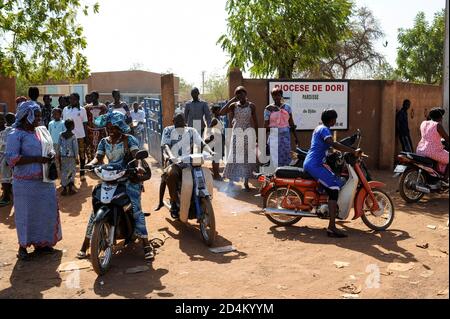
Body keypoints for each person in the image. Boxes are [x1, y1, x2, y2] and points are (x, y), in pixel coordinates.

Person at [77, 112, 154, 261]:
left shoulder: (129, 139)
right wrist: (91, 165)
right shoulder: (104, 141)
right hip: (109, 177)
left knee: (136, 209)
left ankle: (146, 244)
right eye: (108, 127)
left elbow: (136, 154)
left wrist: (138, 166)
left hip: (128, 177)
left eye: (114, 128)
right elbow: (98, 158)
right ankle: (86, 244)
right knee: (95, 211)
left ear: (120, 127)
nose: (110, 130)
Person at [5, 101, 62, 260]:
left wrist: (49, 155)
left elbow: (48, 148)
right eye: (35, 115)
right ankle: (23, 247)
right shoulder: (15, 134)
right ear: (25, 116)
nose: (38, 118)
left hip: (44, 182)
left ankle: (42, 244)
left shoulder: (40, 131)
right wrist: (36, 158)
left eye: (38, 115)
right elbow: (12, 159)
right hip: (25, 184)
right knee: (26, 215)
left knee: (45, 212)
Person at [303, 109, 362, 238]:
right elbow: (333, 144)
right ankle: (331, 227)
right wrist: (352, 151)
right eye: (335, 118)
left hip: (316, 163)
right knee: (334, 188)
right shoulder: (324, 129)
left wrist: (335, 152)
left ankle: (329, 211)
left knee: (337, 180)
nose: (335, 121)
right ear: (331, 120)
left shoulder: (320, 128)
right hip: (314, 165)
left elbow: (328, 147)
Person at [158, 113, 214, 217]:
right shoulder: (168, 130)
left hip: (190, 161)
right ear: (173, 122)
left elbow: (201, 142)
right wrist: (171, 156)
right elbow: (165, 145)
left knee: (205, 174)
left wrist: (210, 151)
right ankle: (174, 202)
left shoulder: (191, 130)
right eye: (177, 123)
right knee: (172, 175)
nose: (180, 125)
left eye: (182, 123)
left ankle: (203, 199)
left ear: (185, 123)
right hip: (175, 162)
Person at [219, 86, 259, 191]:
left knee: (247, 158)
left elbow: (255, 121)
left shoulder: (251, 106)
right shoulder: (233, 105)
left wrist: (257, 136)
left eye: (241, 93)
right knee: (234, 156)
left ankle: (246, 182)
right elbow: (221, 112)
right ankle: (231, 181)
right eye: (237, 94)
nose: (240, 96)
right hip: (236, 133)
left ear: (245, 94)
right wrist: (232, 99)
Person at [264, 87, 300, 167]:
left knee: (286, 157)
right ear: (272, 96)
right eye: (274, 95)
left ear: (281, 96)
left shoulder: (287, 108)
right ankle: (274, 177)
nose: (276, 97)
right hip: (274, 138)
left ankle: (284, 175)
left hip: (285, 138)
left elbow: (291, 123)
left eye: (278, 95)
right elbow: (265, 126)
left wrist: (296, 137)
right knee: (274, 158)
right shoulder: (268, 109)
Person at [416, 108, 449, 182]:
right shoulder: (438, 125)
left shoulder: (424, 123)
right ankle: (445, 179)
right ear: (440, 117)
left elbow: (427, 135)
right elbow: (447, 138)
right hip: (433, 152)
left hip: (420, 149)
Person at [62, 93, 88, 182]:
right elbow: (64, 123)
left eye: (73, 99)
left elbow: (85, 124)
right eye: (70, 99)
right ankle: (70, 176)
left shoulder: (82, 110)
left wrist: (86, 137)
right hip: (69, 137)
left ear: (77, 100)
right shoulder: (65, 109)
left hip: (80, 136)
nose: (71, 101)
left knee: (82, 155)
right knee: (70, 156)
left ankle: (82, 174)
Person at [85, 91, 108, 162]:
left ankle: (100, 160)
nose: (92, 98)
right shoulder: (87, 107)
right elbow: (85, 120)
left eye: (93, 96)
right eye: (91, 96)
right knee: (91, 146)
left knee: (101, 146)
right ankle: (91, 161)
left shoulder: (103, 107)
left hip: (101, 130)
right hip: (90, 130)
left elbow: (106, 118)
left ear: (97, 97)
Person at [204, 104, 225, 180]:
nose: (220, 111)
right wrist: (210, 136)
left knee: (217, 157)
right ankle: (216, 175)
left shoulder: (218, 119)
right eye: (219, 110)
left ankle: (216, 174)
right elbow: (209, 128)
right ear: (215, 111)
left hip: (219, 138)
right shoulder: (214, 120)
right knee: (216, 157)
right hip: (216, 139)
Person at [58, 119, 79, 196]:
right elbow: (75, 148)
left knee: (64, 171)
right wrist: (77, 158)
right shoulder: (73, 136)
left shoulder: (61, 135)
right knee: (71, 171)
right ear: (72, 126)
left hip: (63, 156)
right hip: (71, 157)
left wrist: (58, 155)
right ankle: (70, 189)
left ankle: (64, 189)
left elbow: (58, 146)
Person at [0, 113, 16, 206]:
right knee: (3, 178)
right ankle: (6, 194)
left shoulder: (9, 131)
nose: (1, 121)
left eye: (2, 119)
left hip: (6, 157)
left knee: (6, 178)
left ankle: (6, 198)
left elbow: (11, 145)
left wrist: (8, 159)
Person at [48, 108, 65, 175]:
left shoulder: (63, 123)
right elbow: (49, 133)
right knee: (55, 158)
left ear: (60, 115)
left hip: (61, 143)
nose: (54, 115)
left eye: (56, 114)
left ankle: (62, 171)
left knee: (61, 158)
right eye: (53, 114)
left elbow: (64, 133)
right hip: (53, 144)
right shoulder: (50, 123)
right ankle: (56, 172)